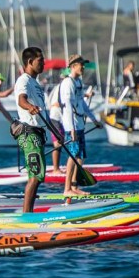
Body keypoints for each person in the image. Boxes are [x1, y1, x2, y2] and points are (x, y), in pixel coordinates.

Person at [59, 54, 102, 196]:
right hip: (72, 125)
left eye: (83, 64)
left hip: (80, 125)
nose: (83, 67)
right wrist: (71, 129)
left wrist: (93, 119)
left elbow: (82, 103)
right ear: (73, 66)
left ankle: (74, 186)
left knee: (80, 156)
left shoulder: (78, 82)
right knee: (73, 155)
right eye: (80, 64)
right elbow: (68, 107)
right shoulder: (68, 83)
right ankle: (67, 189)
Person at [14, 47, 47, 213]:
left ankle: (29, 212)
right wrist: (30, 107)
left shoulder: (36, 83)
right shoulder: (24, 81)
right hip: (29, 134)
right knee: (35, 176)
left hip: (38, 132)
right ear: (30, 62)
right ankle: (27, 215)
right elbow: (21, 100)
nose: (44, 64)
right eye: (40, 61)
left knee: (38, 175)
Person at [46, 68, 69, 175]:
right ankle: (55, 169)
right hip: (55, 118)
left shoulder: (62, 87)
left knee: (61, 143)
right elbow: (55, 103)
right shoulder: (60, 87)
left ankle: (58, 167)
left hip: (60, 119)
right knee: (58, 144)